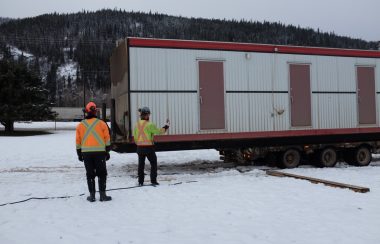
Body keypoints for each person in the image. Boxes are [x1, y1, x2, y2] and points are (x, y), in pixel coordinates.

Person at [76, 102, 112, 202]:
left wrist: (79, 153)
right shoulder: (102, 123)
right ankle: (103, 195)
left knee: (90, 174)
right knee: (102, 174)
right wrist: (107, 151)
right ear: (95, 111)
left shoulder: (80, 125)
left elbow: (78, 141)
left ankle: (92, 196)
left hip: (86, 153)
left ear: (86, 112)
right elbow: (107, 139)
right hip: (100, 153)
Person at [133, 107, 169, 186]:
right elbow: (159, 132)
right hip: (149, 148)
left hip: (139, 148)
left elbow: (135, 137)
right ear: (146, 115)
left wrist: (139, 144)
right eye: (148, 114)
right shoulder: (150, 124)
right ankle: (153, 181)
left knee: (141, 165)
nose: (149, 116)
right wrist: (166, 126)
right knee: (153, 164)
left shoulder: (137, 124)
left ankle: (140, 182)